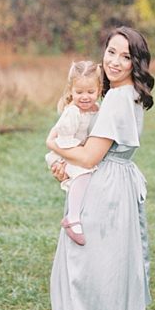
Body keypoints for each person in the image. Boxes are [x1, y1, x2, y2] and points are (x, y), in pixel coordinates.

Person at [47, 25, 154, 310]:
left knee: (77, 278)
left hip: (105, 189)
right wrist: (65, 163)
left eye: (125, 56)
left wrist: (55, 148)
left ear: (135, 62)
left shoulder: (116, 100)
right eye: (111, 51)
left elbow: (91, 156)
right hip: (117, 184)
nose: (114, 61)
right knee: (109, 279)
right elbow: (92, 150)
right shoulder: (128, 95)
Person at [44, 60, 102, 246]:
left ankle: (82, 215)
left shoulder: (97, 109)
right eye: (79, 92)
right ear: (71, 90)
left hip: (78, 150)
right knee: (83, 175)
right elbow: (64, 140)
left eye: (90, 92)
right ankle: (73, 218)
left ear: (99, 89)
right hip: (66, 152)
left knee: (88, 177)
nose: (85, 97)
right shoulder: (73, 112)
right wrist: (83, 154)